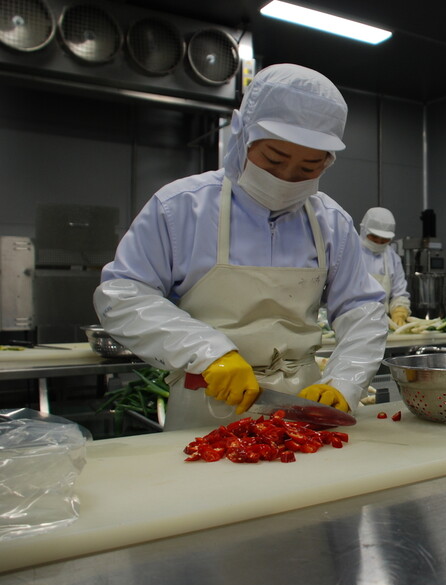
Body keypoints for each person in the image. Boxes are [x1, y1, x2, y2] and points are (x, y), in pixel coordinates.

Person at [94, 64, 388, 431]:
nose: (286, 178)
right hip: (206, 402)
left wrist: (344, 382)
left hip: (303, 407)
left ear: (328, 162)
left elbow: (362, 309)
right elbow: (123, 295)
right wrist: (207, 352)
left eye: (308, 167)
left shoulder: (330, 221)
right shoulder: (182, 206)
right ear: (242, 136)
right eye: (274, 160)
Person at [358, 207, 412, 327]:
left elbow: (399, 293)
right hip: (351, 323)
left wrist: (399, 311)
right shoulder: (349, 252)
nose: (379, 242)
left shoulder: (392, 258)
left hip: (382, 324)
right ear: (363, 230)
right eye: (374, 237)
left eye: (384, 240)